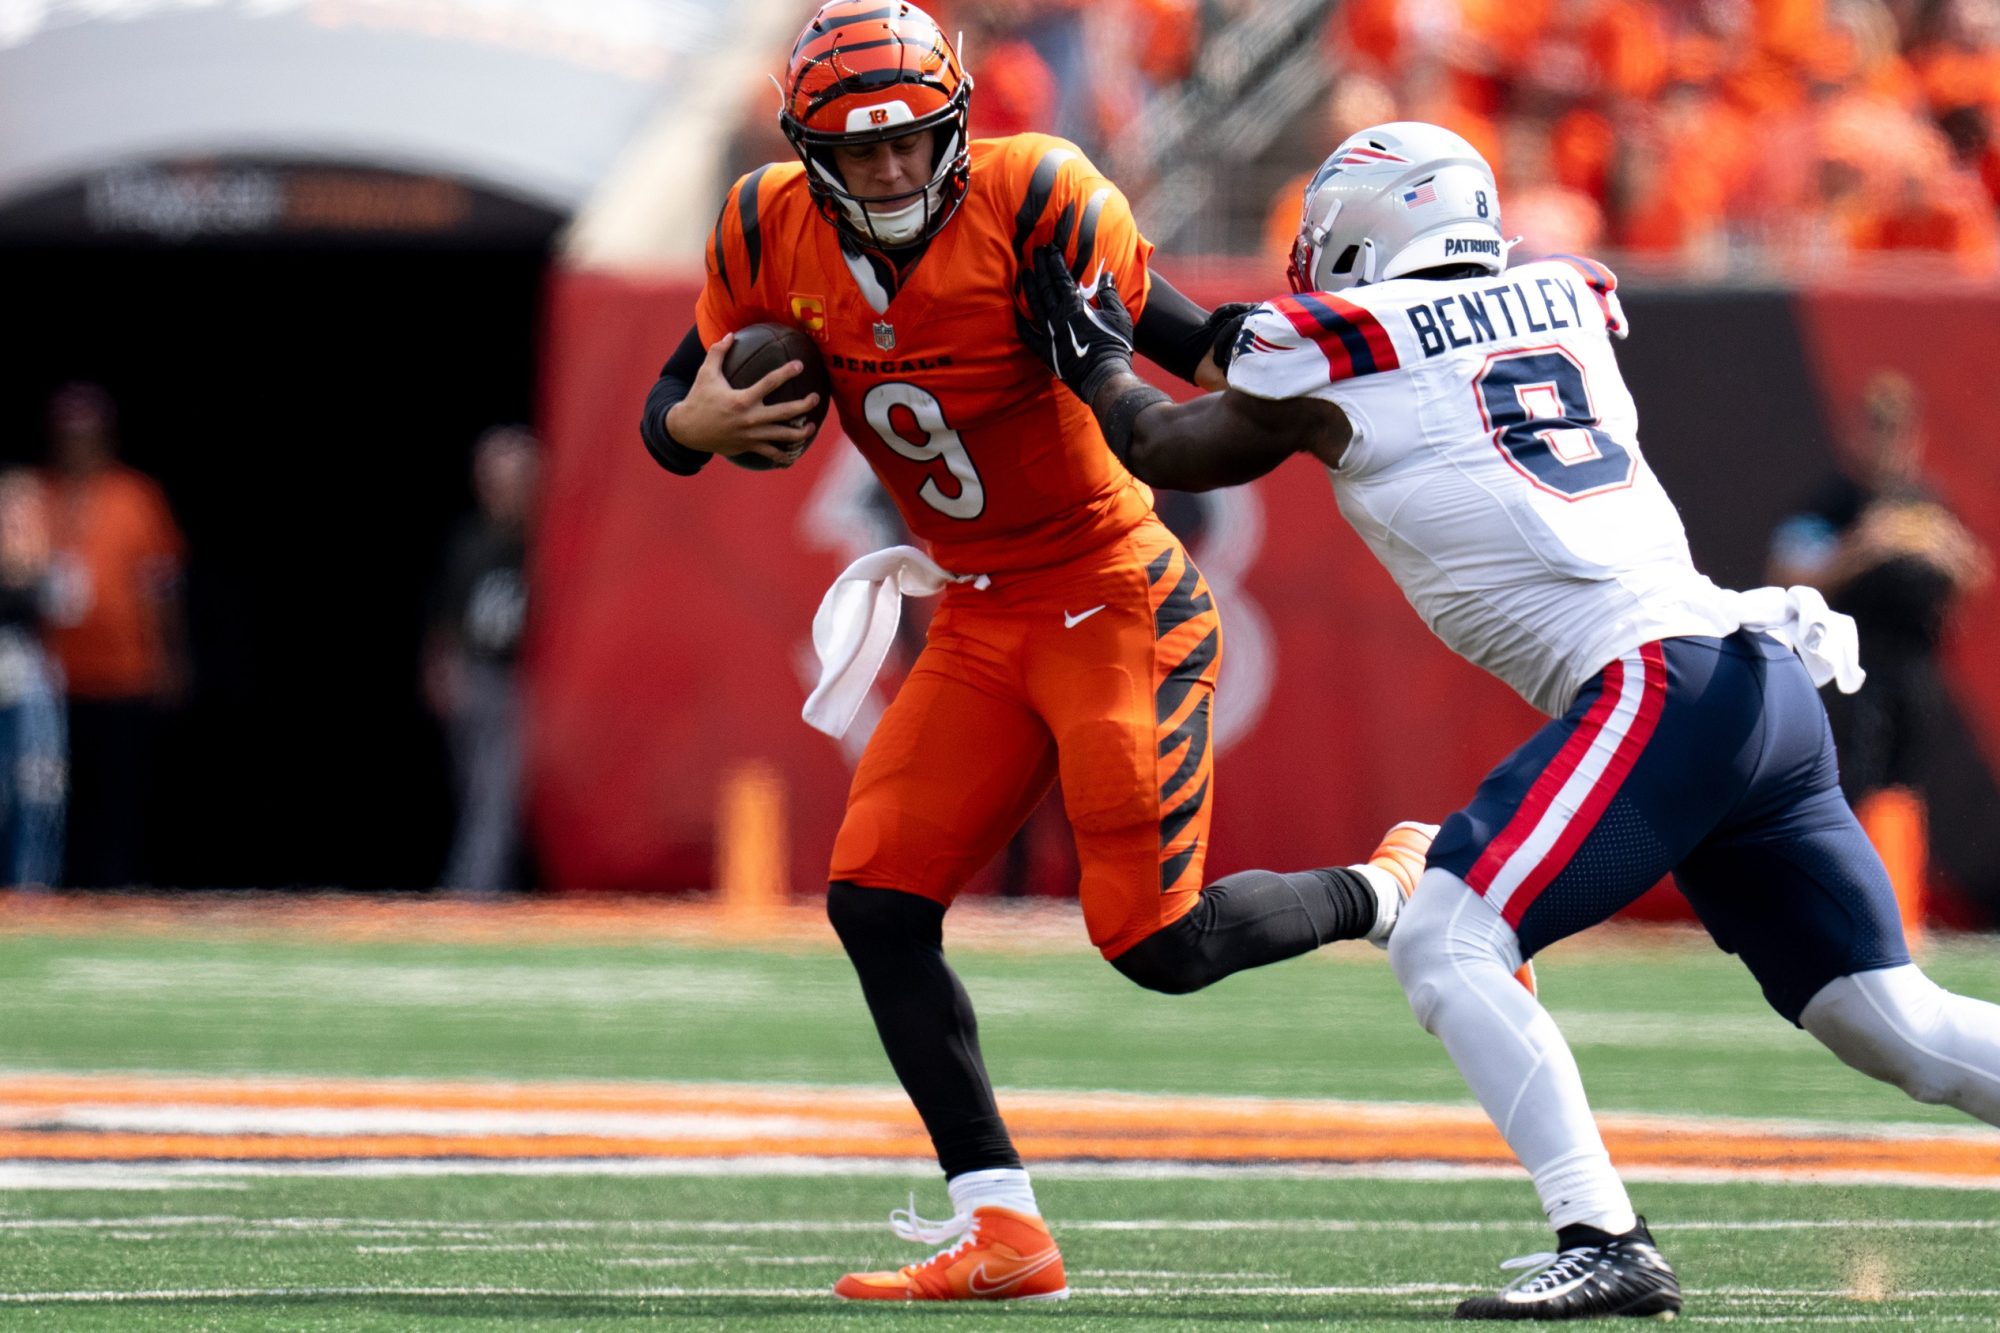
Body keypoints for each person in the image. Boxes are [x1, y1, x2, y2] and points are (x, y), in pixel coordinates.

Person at [1017, 120, 2000, 1321]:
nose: (1310, 266)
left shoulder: (1343, 346)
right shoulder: (1557, 297)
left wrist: (1091, 359)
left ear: (1374, 234)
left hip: (1658, 683)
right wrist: (1141, 313)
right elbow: (1287, 362)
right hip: (1753, 674)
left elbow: (1172, 439)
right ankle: (1603, 1236)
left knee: (1443, 936)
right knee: (1889, 1023)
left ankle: (1604, 1237)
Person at [639, 2, 1429, 1303]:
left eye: (913, 146)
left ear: (958, 127)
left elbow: (1184, 335)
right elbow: (670, 410)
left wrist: (1335, 369)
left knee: (1154, 942)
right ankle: (1003, 1223)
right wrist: (697, 424)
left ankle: (1393, 887)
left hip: (1114, 595)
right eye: (859, 151)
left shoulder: (1037, 195)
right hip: (980, 609)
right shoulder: (762, 226)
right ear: (805, 149)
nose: (891, 172)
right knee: (876, 902)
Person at [39, 382, 188, 889]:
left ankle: (118, 892)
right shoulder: (36, 495)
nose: (78, 443)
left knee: (121, 795)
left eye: (87, 433)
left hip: (126, 673)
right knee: (53, 795)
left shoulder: (136, 496)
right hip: (50, 678)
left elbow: (162, 586)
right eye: (68, 433)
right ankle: (56, 892)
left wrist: (171, 656)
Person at [425, 426, 539, 895]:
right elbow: (447, 618)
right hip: (478, 677)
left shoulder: (551, 542)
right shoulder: (471, 542)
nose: (502, 491)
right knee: (479, 793)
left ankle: (473, 894)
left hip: (522, 683)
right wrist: (442, 670)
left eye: (513, 479)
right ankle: (487, 888)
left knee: (498, 793)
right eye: (493, 480)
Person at [0, 470, 65, 887]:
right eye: (6, 510)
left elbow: (66, 603)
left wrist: (25, 573)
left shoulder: (52, 563)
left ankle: (32, 896)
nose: (13, 521)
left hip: (29, 683)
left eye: (23, 510)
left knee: (38, 791)